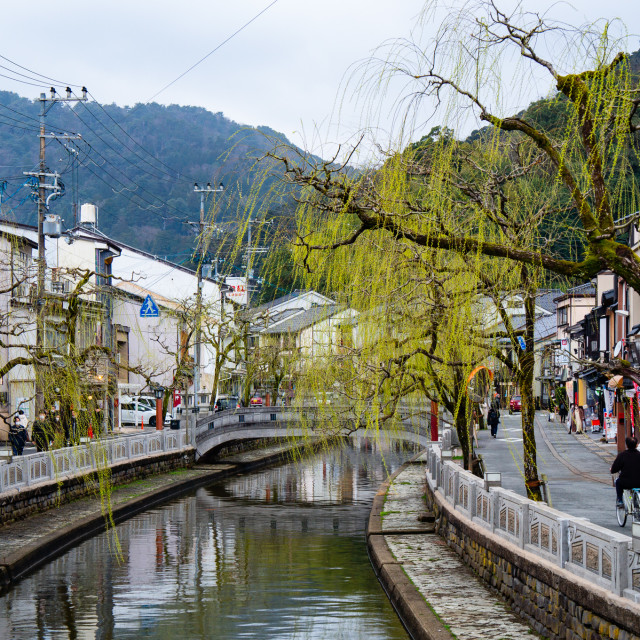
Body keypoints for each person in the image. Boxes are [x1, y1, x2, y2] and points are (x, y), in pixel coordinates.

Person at [610, 436, 640, 507]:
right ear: (636, 445)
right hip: (639, 482)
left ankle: (620, 500)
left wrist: (612, 470)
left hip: (626, 482)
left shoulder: (622, 455)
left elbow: (614, 469)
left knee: (617, 482)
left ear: (626, 445)